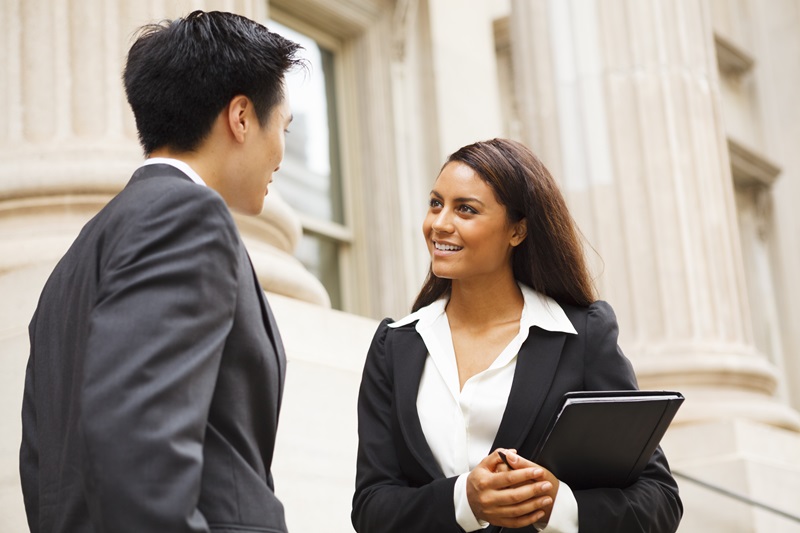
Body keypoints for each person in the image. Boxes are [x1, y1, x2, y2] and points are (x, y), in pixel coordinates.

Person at [19, 11, 303, 533]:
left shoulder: (70, 269)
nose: (282, 155)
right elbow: (139, 443)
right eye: (283, 127)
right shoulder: (188, 218)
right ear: (241, 117)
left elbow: (43, 474)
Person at [351, 138, 682, 532]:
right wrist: (466, 501)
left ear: (518, 230)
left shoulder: (581, 337)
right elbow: (371, 507)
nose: (439, 224)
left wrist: (557, 507)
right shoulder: (395, 346)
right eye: (436, 203)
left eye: (466, 210)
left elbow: (660, 500)